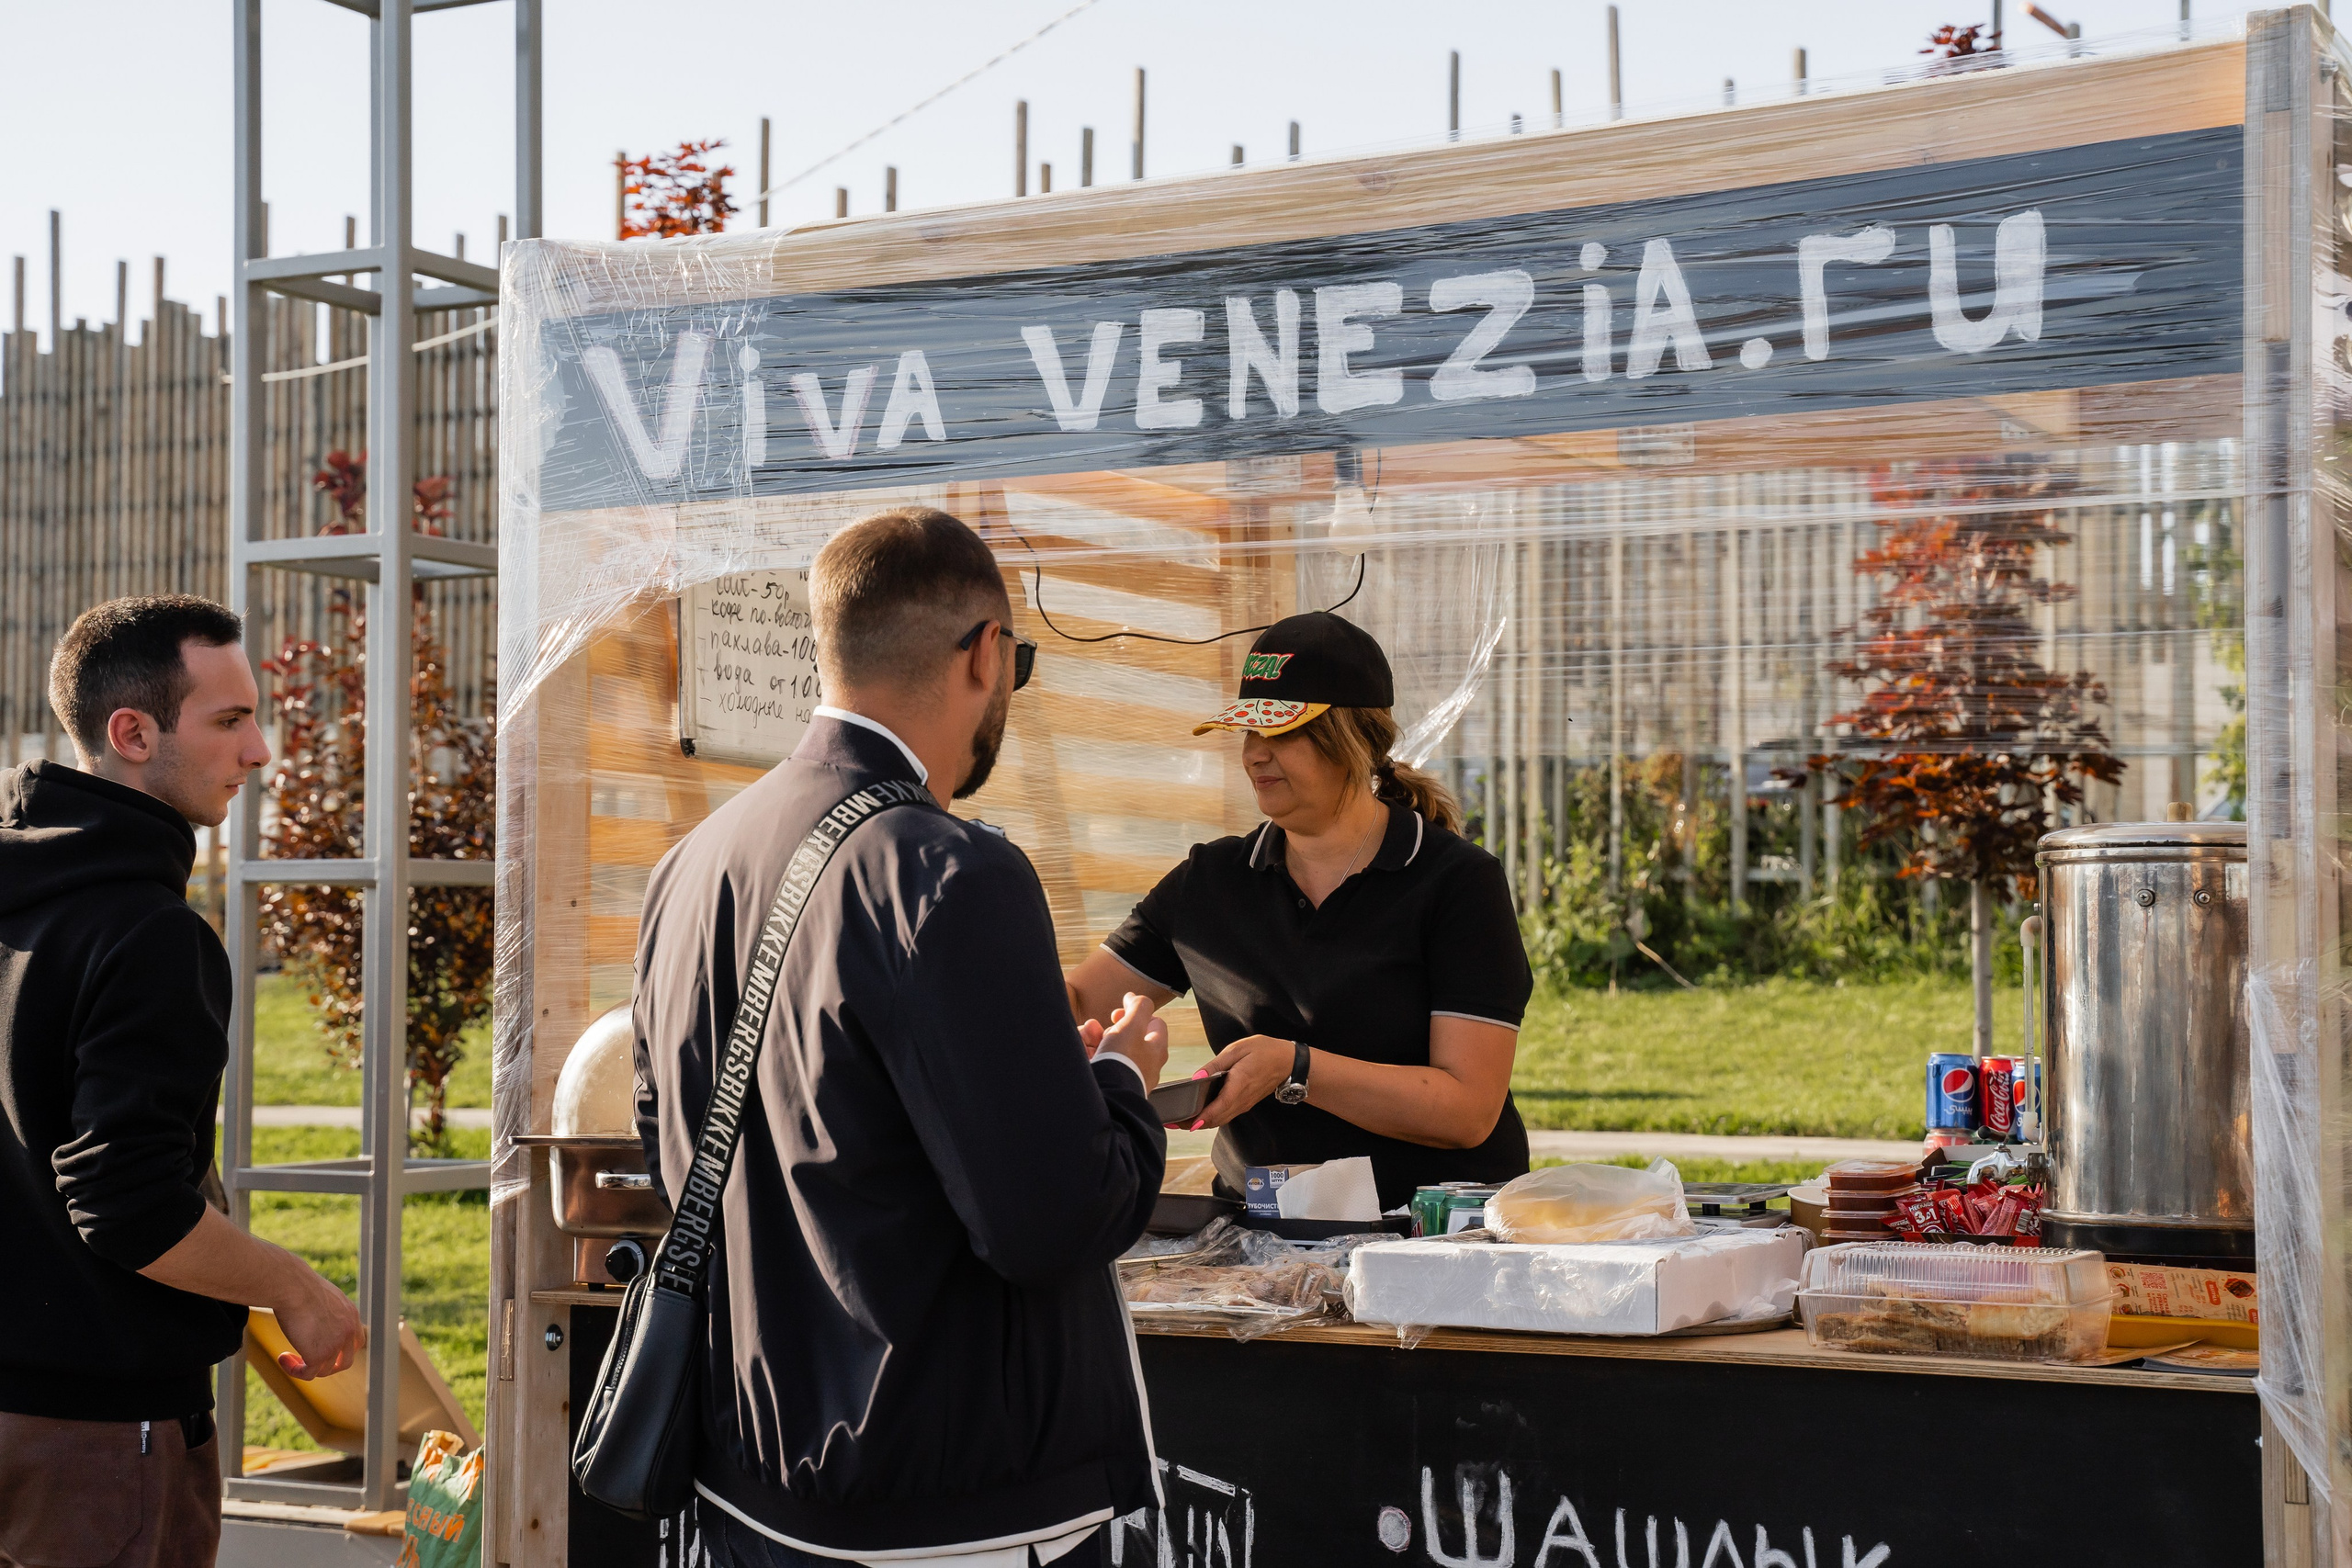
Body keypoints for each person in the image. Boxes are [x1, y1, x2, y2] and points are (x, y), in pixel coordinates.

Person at [633, 507, 1170, 1568]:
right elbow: (1051, 1222)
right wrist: (1118, 1079)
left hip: (750, 1488)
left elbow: (670, 1151)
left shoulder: (688, 863)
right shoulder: (951, 869)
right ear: (989, 655)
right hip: (946, 1505)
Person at [0, 595, 365, 1568]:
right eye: (231, 721)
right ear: (131, 733)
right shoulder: (150, 935)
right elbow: (126, 1207)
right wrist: (293, 1286)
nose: (260, 755)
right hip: (96, 1445)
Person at [1065, 612, 1534, 1214]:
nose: (1256, 754)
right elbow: (1080, 998)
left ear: (1353, 739)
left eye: (1282, 733)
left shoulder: (1458, 884)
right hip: (1261, 1240)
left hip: (1429, 1238)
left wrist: (1294, 1067)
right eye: (1247, 731)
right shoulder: (1208, 883)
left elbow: (1468, 1110)